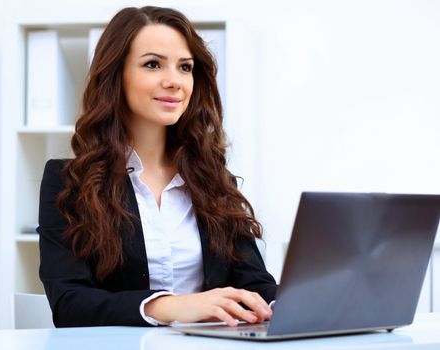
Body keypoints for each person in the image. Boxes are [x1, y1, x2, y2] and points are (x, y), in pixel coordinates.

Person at [37, 5, 278, 328]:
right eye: (153, 64)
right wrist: (170, 307)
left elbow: (254, 285)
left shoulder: (213, 181)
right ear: (115, 75)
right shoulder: (69, 182)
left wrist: (296, 302)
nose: (175, 82)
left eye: (185, 67)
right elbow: (69, 303)